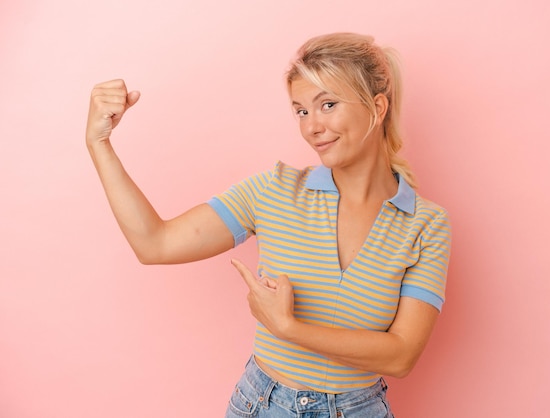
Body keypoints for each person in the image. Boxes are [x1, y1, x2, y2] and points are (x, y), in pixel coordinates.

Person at [86, 32, 451, 418]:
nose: (312, 126)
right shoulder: (273, 190)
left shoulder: (425, 225)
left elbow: (402, 356)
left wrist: (287, 327)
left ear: (377, 107)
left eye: (327, 104)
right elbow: (155, 244)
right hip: (262, 404)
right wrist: (99, 144)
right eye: (301, 111)